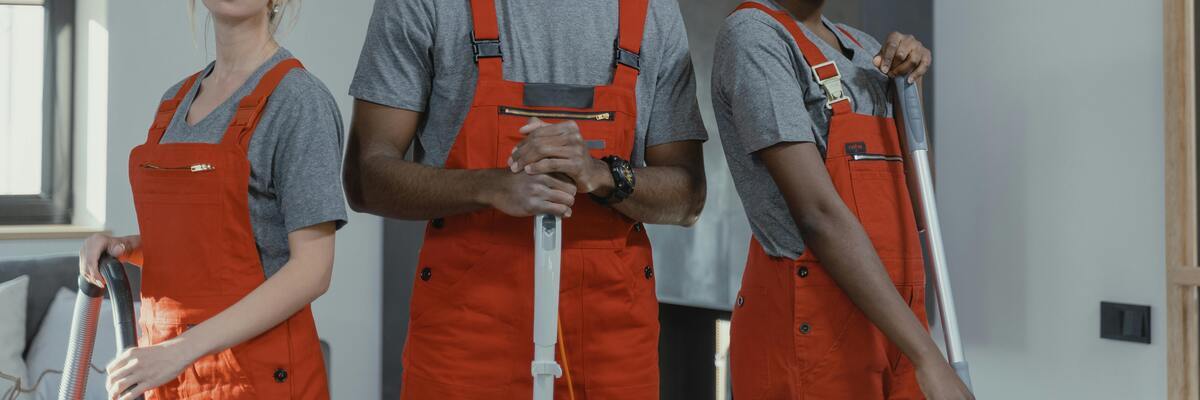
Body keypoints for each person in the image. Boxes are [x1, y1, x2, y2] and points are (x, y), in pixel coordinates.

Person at [344, 0, 707, 398]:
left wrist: (601, 175)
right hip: (466, 338)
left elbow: (687, 198)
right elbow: (366, 179)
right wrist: (489, 186)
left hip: (611, 344)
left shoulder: (654, 10)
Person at [77, 0, 347, 398]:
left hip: (256, 378)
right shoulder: (174, 104)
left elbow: (312, 270)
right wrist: (125, 247)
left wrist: (181, 350)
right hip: (169, 376)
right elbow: (208, 247)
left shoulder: (299, 101)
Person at [711, 0, 974, 399]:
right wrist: (928, 357)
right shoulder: (755, 35)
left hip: (895, 329)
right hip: (813, 330)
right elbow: (818, 215)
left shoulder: (865, 48)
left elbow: (920, 209)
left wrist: (909, 86)